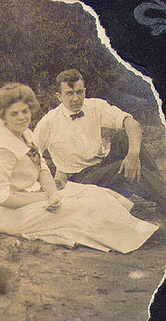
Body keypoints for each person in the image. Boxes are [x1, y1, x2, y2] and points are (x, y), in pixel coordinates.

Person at [0, 83, 159, 253]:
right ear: (3, 117)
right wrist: (45, 197)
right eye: (14, 114)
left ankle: (137, 230)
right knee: (82, 207)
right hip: (13, 213)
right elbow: (3, 197)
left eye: (25, 111)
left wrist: (52, 194)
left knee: (96, 194)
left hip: (35, 197)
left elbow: (42, 169)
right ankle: (137, 238)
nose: (22, 117)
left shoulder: (26, 134)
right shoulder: (0, 147)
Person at [34, 69, 166, 214]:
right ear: (59, 96)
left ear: (85, 90)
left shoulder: (95, 106)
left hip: (103, 165)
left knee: (124, 137)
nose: (76, 99)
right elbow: (32, 154)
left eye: (79, 92)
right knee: (124, 169)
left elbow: (131, 123)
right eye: (69, 94)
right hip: (80, 178)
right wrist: (49, 182)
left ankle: (161, 197)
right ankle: (162, 196)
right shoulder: (49, 122)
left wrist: (133, 155)